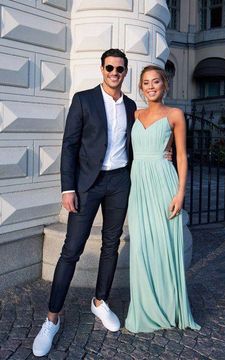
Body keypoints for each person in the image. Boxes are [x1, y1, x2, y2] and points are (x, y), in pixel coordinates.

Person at [32, 48, 136, 357]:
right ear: (102, 69)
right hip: (87, 185)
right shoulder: (84, 99)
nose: (114, 73)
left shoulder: (131, 106)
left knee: (110, 243)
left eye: (119, 69)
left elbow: (138, 142)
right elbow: (69, 146)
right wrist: (68, 188)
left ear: (125, 72)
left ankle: (100, 302)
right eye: (109, 67)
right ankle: (53, 317)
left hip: (118, 182)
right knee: (71, 249)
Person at [125, 65, 201, 333]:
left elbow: (181, 156)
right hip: (139, 186)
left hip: (163, 184)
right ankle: (145, 308)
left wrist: (180, 193)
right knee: (142, 247)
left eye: (156, 81)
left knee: (164, 247)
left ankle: (169, 308)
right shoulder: (134, 114)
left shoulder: (175, 114)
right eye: (146, 82)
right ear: (141, 87)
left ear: (164, 85)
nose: (151, 86)